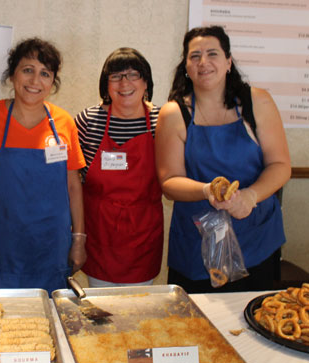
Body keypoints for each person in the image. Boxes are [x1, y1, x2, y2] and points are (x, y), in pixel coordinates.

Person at [155, 26, 291, 293]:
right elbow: (169, 182)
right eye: (194, 56)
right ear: (186, 66)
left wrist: (250, 197)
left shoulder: (257, 102)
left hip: (256, 239)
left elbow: (280, 165)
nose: (203, 62)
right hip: (197, 243)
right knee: (194, 326)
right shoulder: (174, 113)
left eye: (212, 54)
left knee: (253, 322)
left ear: (228, 62)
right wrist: (207, 191)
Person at [0, 38, 86, 295]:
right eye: (27, 70)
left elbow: (73, 185)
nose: (35, 81)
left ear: (53, 82)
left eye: (45, 74)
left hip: (50, 246)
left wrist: (79, 239)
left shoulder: (63, 122)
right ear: (12, 74)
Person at [75, 48, 163, 287]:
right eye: (115, 76)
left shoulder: (162, 120)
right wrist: (76, 236)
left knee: (139, 311)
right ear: (106, 84)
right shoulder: (87, 121)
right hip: (98, 236)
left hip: (143, 237)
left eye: (133, 74)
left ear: (146, 82)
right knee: (101, 314)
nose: (124, 82)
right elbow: (72, 181)